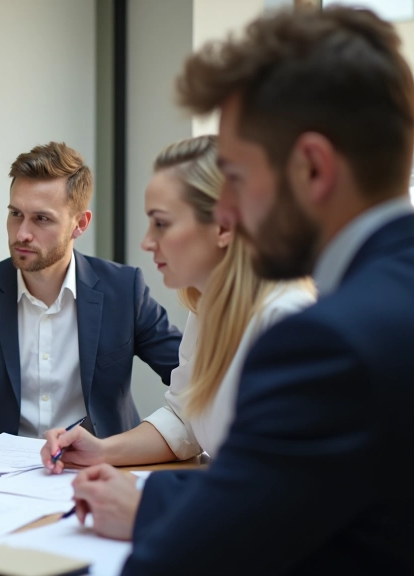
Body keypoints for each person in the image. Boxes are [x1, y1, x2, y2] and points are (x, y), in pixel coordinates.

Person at [70, 7, 414, 575]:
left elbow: (203, 552)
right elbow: (295, 496)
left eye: (236, 177)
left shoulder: (325, 343)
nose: (226, 211)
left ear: (311, 168)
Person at [40, 135, 313, 471]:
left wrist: (147, 504)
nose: (146, 242)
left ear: (224, 227)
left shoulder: (287, 324)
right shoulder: (208, 309)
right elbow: (184, 420)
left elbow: (284, 481)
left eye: (161, 223)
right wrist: (101, 451)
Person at [0, 142, 182, 443]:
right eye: (15, 214)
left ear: (79, 224)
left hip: (101, 469)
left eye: (41, 219)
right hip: (4, 475)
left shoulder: (123, 289)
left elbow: (191, 377)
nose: (22, 233)